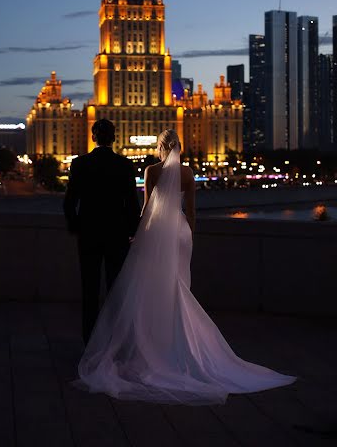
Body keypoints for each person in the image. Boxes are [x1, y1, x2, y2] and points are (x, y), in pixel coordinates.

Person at [72, 129, 296, 405]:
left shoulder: (151, 171)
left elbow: (145, 209)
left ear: (160, 147)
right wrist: (189, 235)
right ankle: (176, 342)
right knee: (177, 284)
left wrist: (138, 234)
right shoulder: (188, 173)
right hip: (180, 233)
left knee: (152, 287)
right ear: (179, 147)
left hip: (157, 232)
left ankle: (152, 342)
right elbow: (190, 211)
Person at [63, 118, 140, 345]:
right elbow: (132, 205)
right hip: (117, 236)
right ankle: (114, 343)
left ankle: (90, 343)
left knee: (90, 290)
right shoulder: (125, 165)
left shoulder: (80, 164)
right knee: (116, 291)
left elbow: (69, 203)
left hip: (88, 236)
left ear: (93, 136)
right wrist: (131, 231)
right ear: (114, 138)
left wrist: (76, 227)